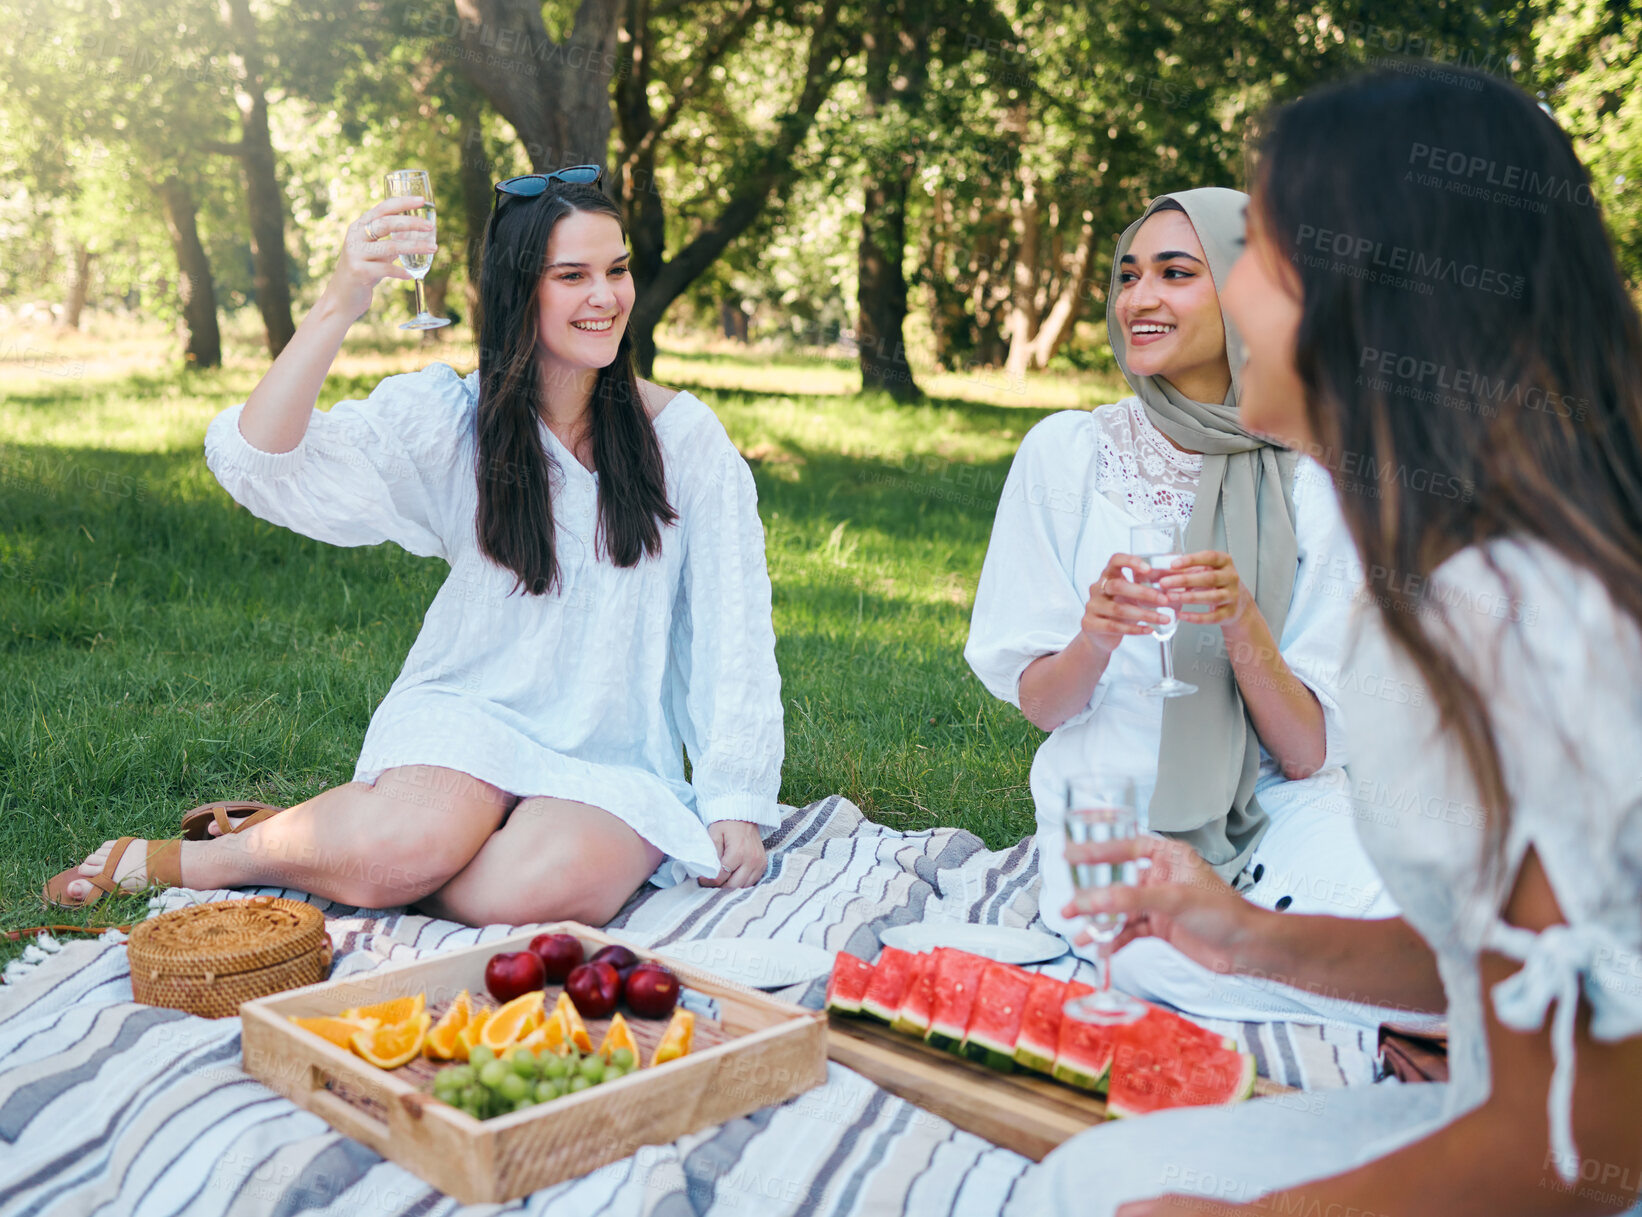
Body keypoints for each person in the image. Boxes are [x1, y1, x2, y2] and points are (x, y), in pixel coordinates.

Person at [1008, 65, 1642, 1217]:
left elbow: (1588, 1140)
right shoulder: (1452, 574)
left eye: (1260, 249)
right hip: (1531, 1124)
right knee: (1084, 1180)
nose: (1230, 287)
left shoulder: (1530, 621)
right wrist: (1246, 935)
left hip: (1574, 1158)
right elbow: (1489, 953)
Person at [46, 168, 784, 920]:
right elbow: (259, 460)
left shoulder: (685, 441)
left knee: (532, 892)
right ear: (518, 290)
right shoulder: (453, 419)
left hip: (609, 747)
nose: (606, 296)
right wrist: (341, 300)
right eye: (573, 275)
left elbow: (734, 627)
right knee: (400, 845)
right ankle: (208, 859)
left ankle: (341, 851)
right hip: (472, 710)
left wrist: (734, 795)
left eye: (616, 269)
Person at [965, 187, 1395, 1022]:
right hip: (1110, 807)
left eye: (1175, 273)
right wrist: (1093, 637)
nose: (1139, 298)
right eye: (1128, 275)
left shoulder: (1316, 482)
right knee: (1173, 968)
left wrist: (1243, 624)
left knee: (1412, 938)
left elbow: (1306, 753)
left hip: (1282, 806)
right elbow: (1045, 707)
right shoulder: (1069, 455)